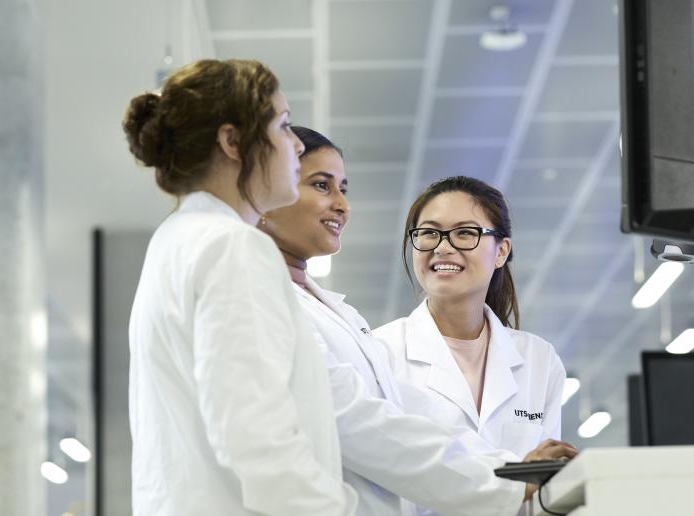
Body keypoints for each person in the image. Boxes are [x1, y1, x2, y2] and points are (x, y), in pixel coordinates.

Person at [260, 127, 576, 516]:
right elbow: (364, 425)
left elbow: (415, 419)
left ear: (501, 251)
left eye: (465, 233)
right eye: (322, 185)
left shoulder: (340, 318)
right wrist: (507, 478)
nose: (342, 205)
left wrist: (515, 473)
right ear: (267, 191)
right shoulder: (271, 302)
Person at [122, 61, 357, 516]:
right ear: (232, 141)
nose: (295, 145)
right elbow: (256, 438)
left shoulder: (176, 238)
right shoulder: (231, 246)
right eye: (284, 126)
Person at [374, 176, 567, 513]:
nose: (442, 247)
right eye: (429, 233)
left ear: (501, 251)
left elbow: (544, 491)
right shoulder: (380, 352)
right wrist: (521, 474)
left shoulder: (539, 359)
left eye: (465, 232)